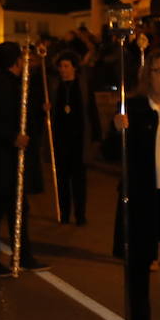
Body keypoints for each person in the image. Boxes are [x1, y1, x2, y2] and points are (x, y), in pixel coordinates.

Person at [101, 48, 160, 320]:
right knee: (139, 264)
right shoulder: (134, 108)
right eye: (159, 71)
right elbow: (110, 154)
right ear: (148, 75)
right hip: (143, 197)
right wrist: (115, 130)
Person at [0, 41, 46, 277]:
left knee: (19, 208)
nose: (25, 63)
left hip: (13, 159)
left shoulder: (18, 84)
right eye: (22, 59)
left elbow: (24, 112)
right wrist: (12, 137)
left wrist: (40, 109)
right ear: (14, 61)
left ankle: (22, 254)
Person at [50, 53, 100, 224]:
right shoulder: (55, 86)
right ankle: (64, 214)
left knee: (79, 181)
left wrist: (96, 135)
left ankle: (80, 214)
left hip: (79, 140)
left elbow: (91, 109)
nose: (62, 70)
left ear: (74, 68)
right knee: (62, 179)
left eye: (66, 66)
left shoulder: (83, 85)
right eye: (60, 66)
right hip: (61, 139)